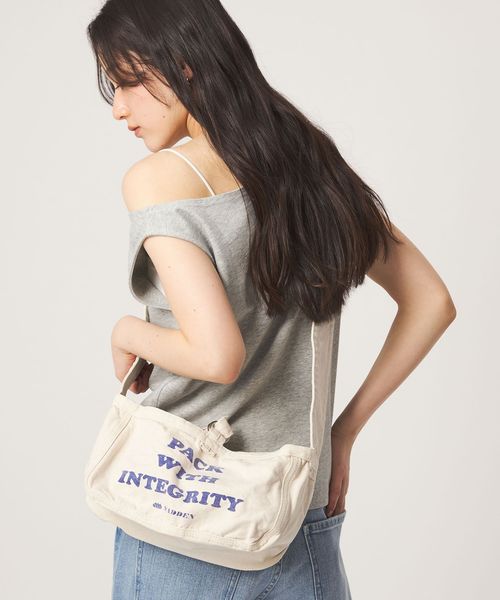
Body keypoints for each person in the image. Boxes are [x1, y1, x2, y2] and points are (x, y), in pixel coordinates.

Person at [86, 1, 457, 598]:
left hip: (186, 516)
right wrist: (341, 434)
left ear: (183, 65)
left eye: (128, 81)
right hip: (300, 514)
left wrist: (125, 332)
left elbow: (216, 356)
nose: (118, 109)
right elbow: (431, 301)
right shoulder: (313, 167)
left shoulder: (159, 178)